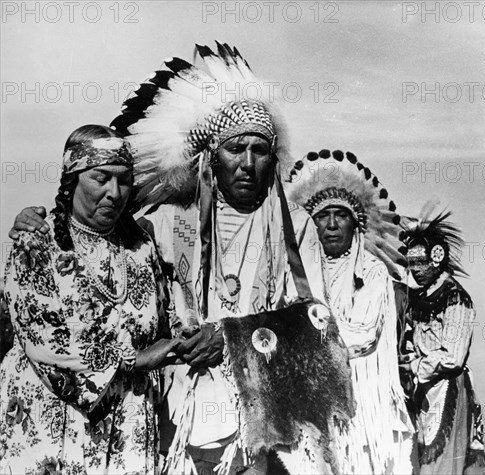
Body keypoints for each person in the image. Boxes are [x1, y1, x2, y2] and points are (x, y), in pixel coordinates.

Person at [9, 44, 343, 475]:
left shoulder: (296, 227)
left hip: (264, 411)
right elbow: (88, 229)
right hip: (174, 412)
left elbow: (321, 320)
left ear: (273, 157)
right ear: (209, 157)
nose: (246, 163)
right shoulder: (163, 223)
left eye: (259, 150)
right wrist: (36, 219)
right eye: (234, 148)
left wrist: (232, 337)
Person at [0, 125, 186, 474]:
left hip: (127, 421)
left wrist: (187, 339)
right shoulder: (36, 243)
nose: (115, 193)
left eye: (124, 180)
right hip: (52, 418)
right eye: (101, 178)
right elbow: (43, 339)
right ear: (72, 180)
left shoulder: (140, 248)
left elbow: (165, 319)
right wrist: (136, 360)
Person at [285, 149, 415, 474]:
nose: (330, 225)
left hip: (361, 406)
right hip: (314, 400)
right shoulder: (302, 275)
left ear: (355, 223)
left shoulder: (372, 272)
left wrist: (304, 329)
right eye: (321, 216)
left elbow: (361, 334)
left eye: (339, 215)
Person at [399, 211, 485, 474]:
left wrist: (415, 367)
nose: (415, 269)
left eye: (421, 262)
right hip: (423, 392)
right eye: (411, 263)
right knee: (423, 461)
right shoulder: (417, 299)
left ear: (437, 260)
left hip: (448, 389)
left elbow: (453, 357)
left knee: (441, 467)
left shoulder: (456, 299)